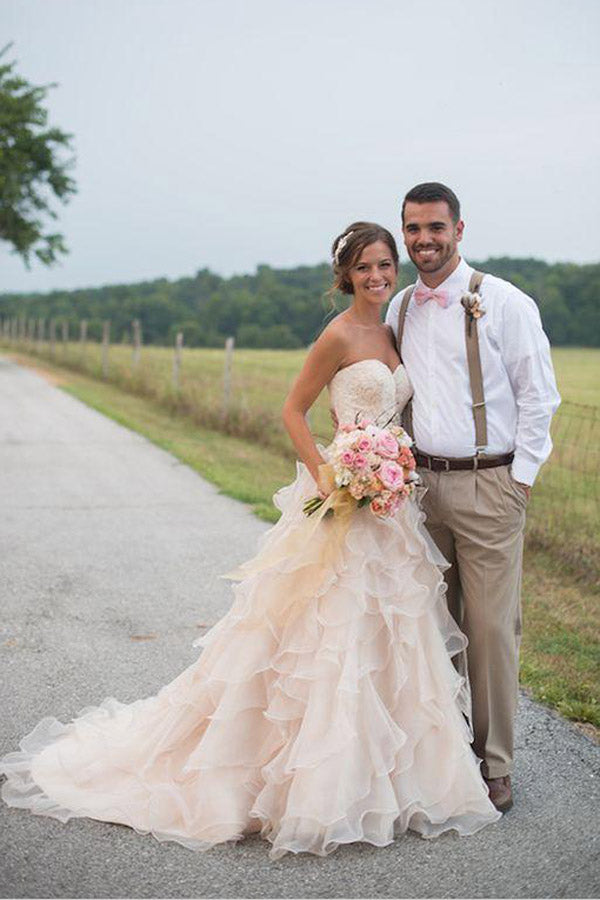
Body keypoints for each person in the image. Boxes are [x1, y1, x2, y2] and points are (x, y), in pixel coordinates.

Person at [0, 222, 500, 861]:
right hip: (343, 498)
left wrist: (389, 470)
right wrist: (332, 474)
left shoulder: (395, 328)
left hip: (390, 508)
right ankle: (313, 786)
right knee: (327, 636)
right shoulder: (340, 334)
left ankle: (401, 781)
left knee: (393, 635)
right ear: (345, 275)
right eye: (364, 268)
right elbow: (294, 409)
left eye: (385, 265)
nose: (377, 277)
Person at [385, 183, 561, 812]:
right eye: (412, 229)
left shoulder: (506, 302)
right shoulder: (399, 307)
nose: (424, 240)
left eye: (435, 227)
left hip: (492, 484)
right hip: (419, 489)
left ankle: (496, 764)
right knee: (433, 625)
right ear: (403, 233)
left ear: (459, 230)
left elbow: (540, 395)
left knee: (488, 630)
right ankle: (446, 751)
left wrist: (521, 480)